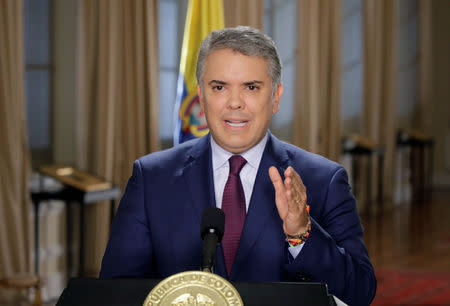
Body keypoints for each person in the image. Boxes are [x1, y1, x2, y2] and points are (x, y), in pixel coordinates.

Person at [100, 26, 376, 305]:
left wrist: (301, 234)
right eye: (219, 87)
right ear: (201, 97)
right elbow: (115, 292)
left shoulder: (324, 180)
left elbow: (359, 293)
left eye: (251, 87)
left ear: (276, 97)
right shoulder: (152, 179)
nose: (234, 103)